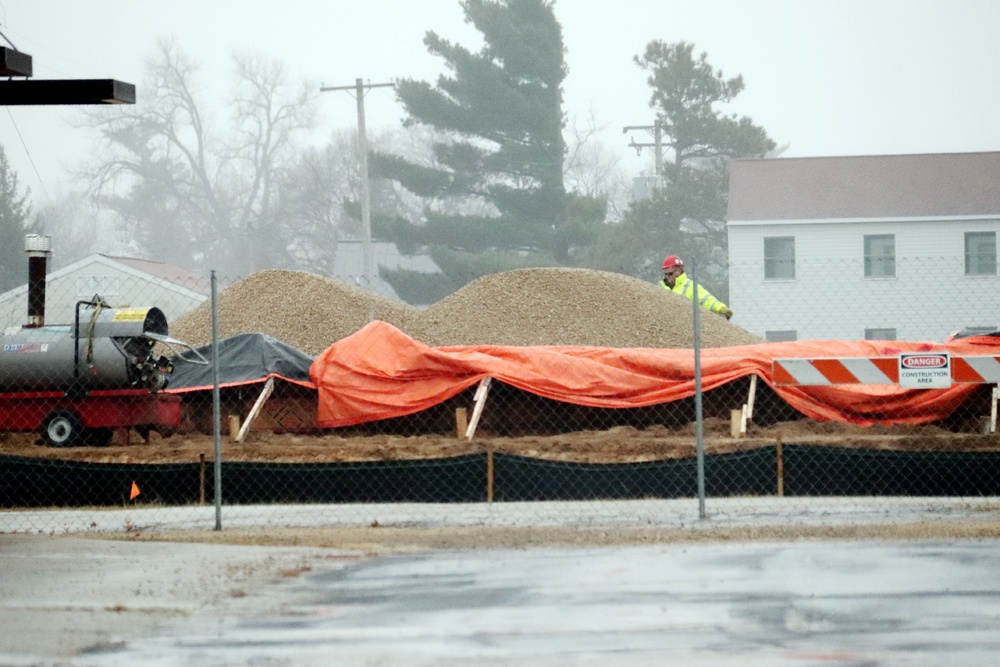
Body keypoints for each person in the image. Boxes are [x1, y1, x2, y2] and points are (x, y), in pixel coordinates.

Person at [659, 255, 733, 320]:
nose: (667, 276)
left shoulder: (690, 286)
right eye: (666, 273)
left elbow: (707, 300)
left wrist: (722, 308)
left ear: (680, 270)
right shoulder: (661, 287)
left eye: (670, 273)